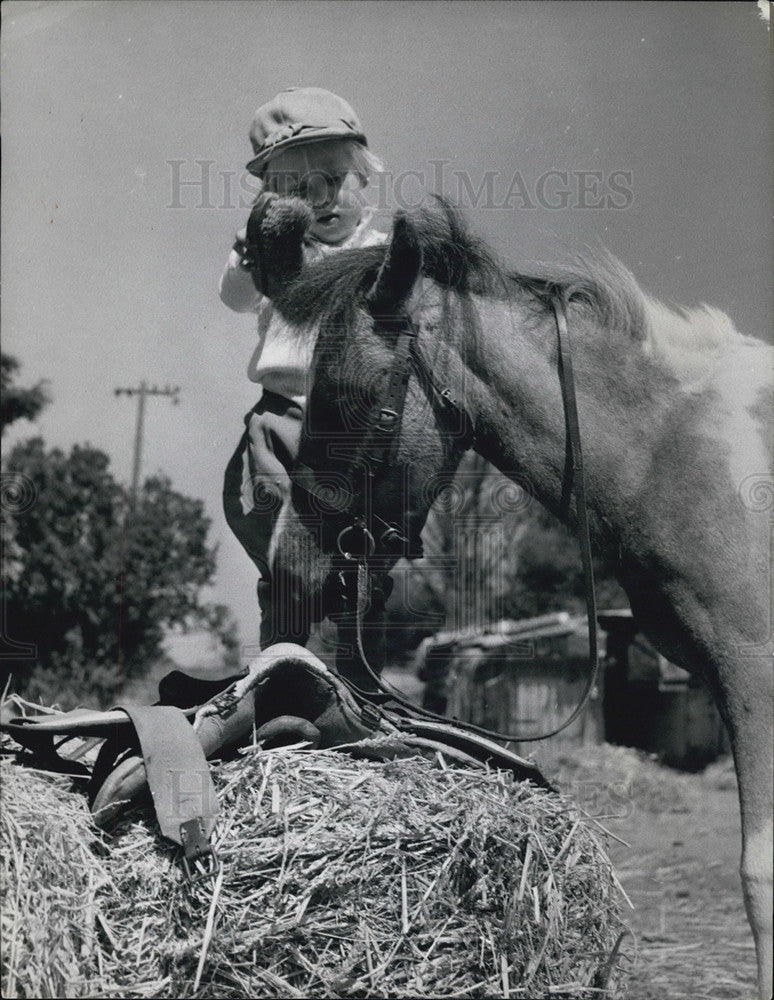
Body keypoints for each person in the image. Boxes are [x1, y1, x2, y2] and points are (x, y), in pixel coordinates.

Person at [220, 87, 388, 685]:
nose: (320, 199)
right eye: (297, 188)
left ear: (363, 179)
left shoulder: (382, 255)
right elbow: (236, 298)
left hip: (359, 430)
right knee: (282, 542)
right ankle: (287, 667)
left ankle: (358, 684)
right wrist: (251, 257)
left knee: (362, 566)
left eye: (335, 179)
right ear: (274, 199)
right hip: (284, 415)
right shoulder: (281, 252)